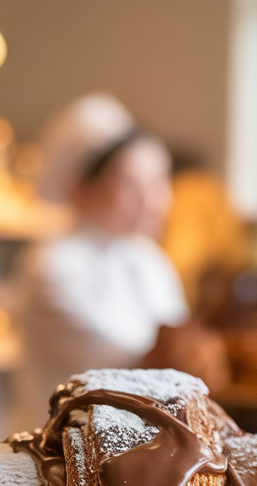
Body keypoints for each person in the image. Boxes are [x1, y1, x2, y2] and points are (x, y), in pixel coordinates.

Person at [12, 95, 188, 430]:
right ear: (80, 187)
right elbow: (127, 369)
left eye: (158, 181)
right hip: (58, 457)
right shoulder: (51, 265)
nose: (152, 200)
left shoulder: (150, 261)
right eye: (130, 184)